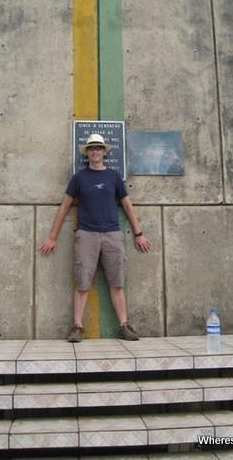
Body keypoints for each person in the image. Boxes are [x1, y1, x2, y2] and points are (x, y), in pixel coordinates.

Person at [40, 133, 151, 342]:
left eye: (98, 148)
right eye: (91, 148)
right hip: (86, 234)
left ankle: (124, 326)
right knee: (82, 281)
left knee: (117, 282)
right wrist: (52, 237)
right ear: (87, 153)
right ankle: (77, 327)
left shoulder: (114, 177)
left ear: (104, 152)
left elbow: (127, 205)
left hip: (112, 234)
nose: (95, 152)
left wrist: (138, 233)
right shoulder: (79, 178)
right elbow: (64, 207)